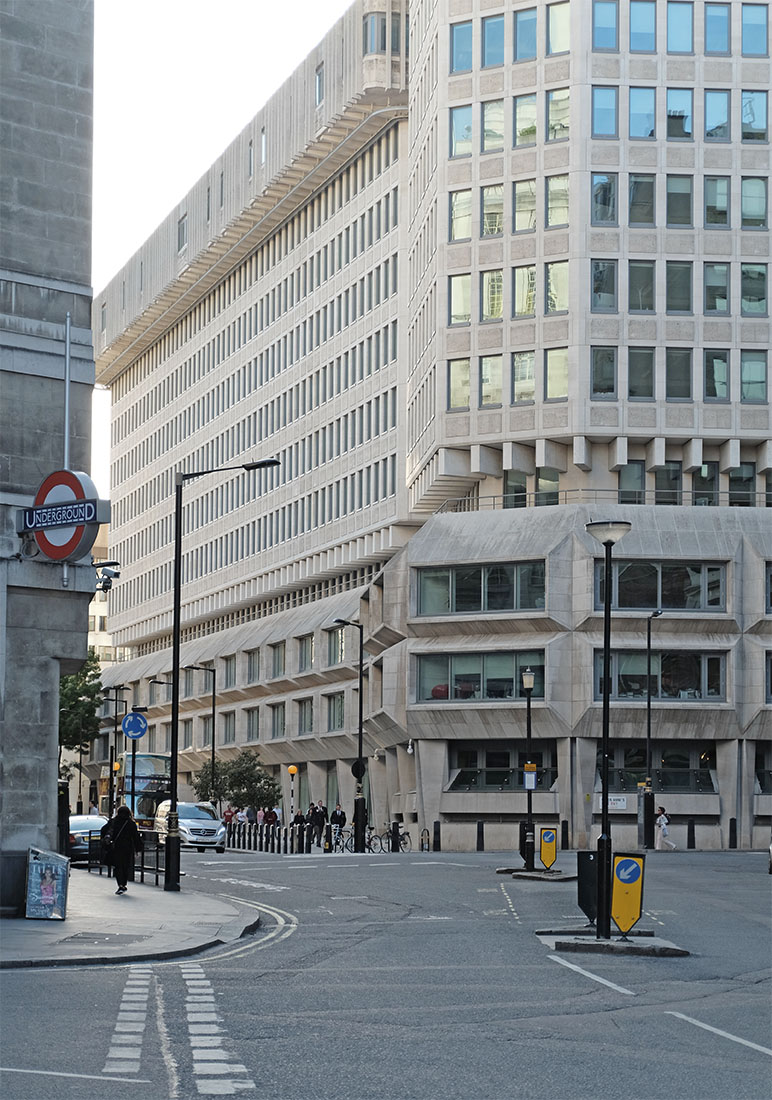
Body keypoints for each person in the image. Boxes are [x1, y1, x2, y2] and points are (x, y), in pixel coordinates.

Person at [102, 805, 143, 895]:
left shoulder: (113, 821)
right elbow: (135, 837)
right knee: (125, 866)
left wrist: (107, 840)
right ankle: (123, 883)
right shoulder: (131, 823)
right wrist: (138, 849)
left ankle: (120, 884)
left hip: (116, 847)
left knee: (118, 866)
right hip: (127, 848)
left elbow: (103, 830)